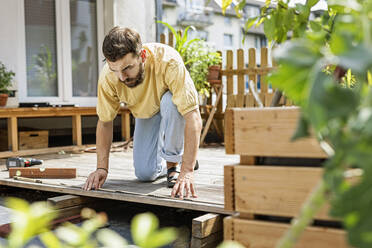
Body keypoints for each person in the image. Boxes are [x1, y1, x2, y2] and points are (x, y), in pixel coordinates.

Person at [83, 27, 202, 199]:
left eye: (127, 68)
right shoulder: (109, 77)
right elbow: (105, 121)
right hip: (146, 113)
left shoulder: (169, 61)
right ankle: (181, 157)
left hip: (170, 105)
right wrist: (102, 168)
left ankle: (174, 163)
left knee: (171, 102)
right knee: (145, 174)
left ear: (143, 56)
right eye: (115, 70)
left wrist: (188, 171)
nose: (122, 78)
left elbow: (193, 116)